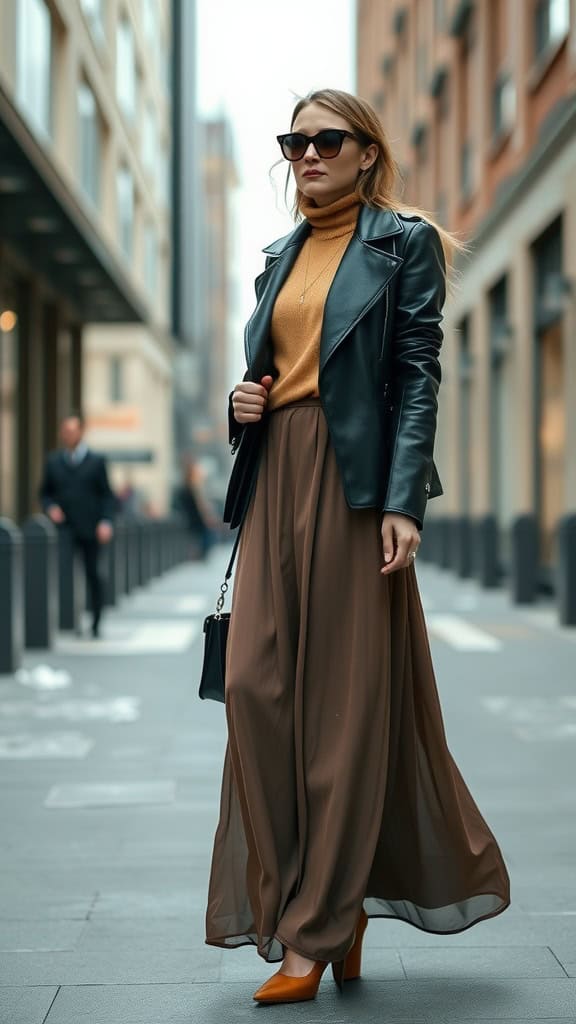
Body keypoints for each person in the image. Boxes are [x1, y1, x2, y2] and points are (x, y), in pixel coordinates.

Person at [204, 89, 510, 1006]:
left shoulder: (400, 242)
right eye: (293, 141)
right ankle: (321, 908)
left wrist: (403, 500)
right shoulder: (278, 256)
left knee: (341, 714)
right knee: (257, 688)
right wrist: (239, 403)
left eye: (325, 139)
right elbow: (273, 372)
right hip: (276, 481)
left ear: (367, 151)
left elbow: (419, 373)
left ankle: (320, 928)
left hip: (352, 483)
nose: (306, 154)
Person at [39, 412, 116, 638]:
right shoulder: (54, 462)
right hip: (65, 530)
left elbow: (107, 496)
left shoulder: (96, 461)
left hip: (91, 529)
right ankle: (68, 622)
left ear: (80, 432)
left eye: (72, 430)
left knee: (93, 575)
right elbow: (45, 494)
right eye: (65, 431)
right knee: (64, 576)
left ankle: (96, 622)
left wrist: (105, 522)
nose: (68, 435)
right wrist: (50, 507)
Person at [172, 457, 218, 559]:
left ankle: (197, 555)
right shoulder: (193, 487)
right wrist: (207, 517)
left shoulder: (185, 487)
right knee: (207, 537)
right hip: (196, 519)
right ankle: (198, 556)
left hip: (191, 519)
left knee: (201, 538)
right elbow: (200, 505)